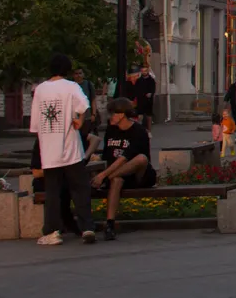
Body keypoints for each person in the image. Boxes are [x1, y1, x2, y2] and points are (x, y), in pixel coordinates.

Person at [30, 53, 95, 246]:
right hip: (71, 148)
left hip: (49, 150)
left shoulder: (40, 90)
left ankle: (52, 231)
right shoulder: (72, 86)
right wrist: (79, 120)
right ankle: (87, 227)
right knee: (80, 189)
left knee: (53, 192)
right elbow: (84, 106)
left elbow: (35, 125)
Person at [92, 97, 157, 241]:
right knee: (116, 180)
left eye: (112, 113)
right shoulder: (111, 130)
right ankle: (110, 224)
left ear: (121, 114)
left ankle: (106, 178)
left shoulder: (139, 131)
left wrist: (103, 175)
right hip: (117, 174)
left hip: (139, 174)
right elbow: (108, 156)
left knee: (141, 158)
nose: (110, 117)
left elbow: (125, 158)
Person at [132, 63, 156, 133]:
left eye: (145, 71)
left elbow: (153, 89)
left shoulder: (151, 80)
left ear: (147, 71)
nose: (144, 72)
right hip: (140, 100)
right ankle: (140, 130)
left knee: (149, 115)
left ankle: (149, 130)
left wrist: (151, 93)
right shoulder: (139, 80)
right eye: (142, 71)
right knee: (140, 115)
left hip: (148, 100)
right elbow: (136, 89)